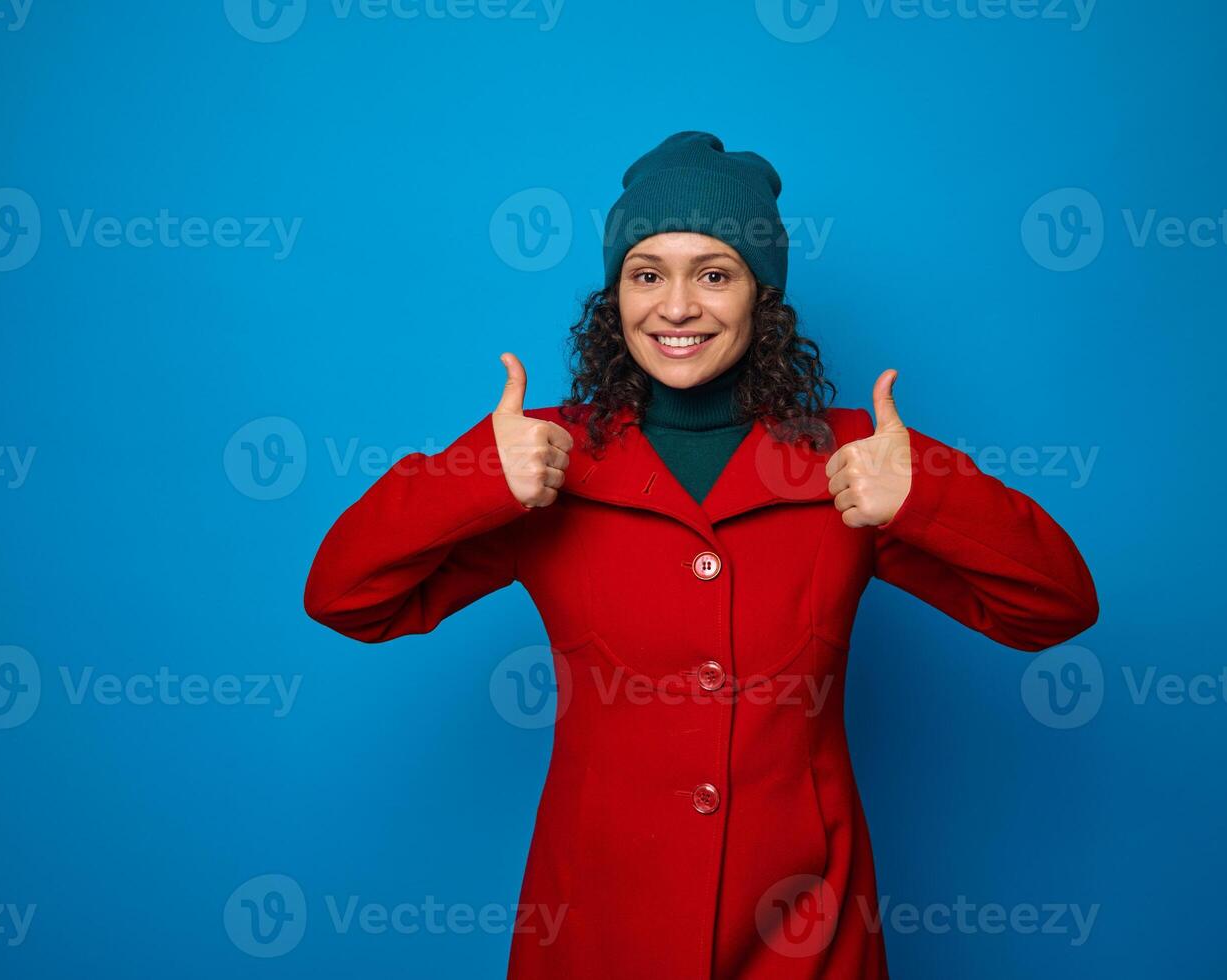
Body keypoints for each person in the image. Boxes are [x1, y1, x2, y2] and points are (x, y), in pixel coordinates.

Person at [304, 131, 1098, 979]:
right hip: (601, 924)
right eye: (647, 274)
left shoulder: (854, 459)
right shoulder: (545, 457)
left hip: (803, 930)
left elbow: (1052, 608)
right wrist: (467, 479)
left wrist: (929, 497)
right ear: (615, 297)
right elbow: (347, 599)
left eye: (713, 274)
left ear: (764, 297)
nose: (675, 307)